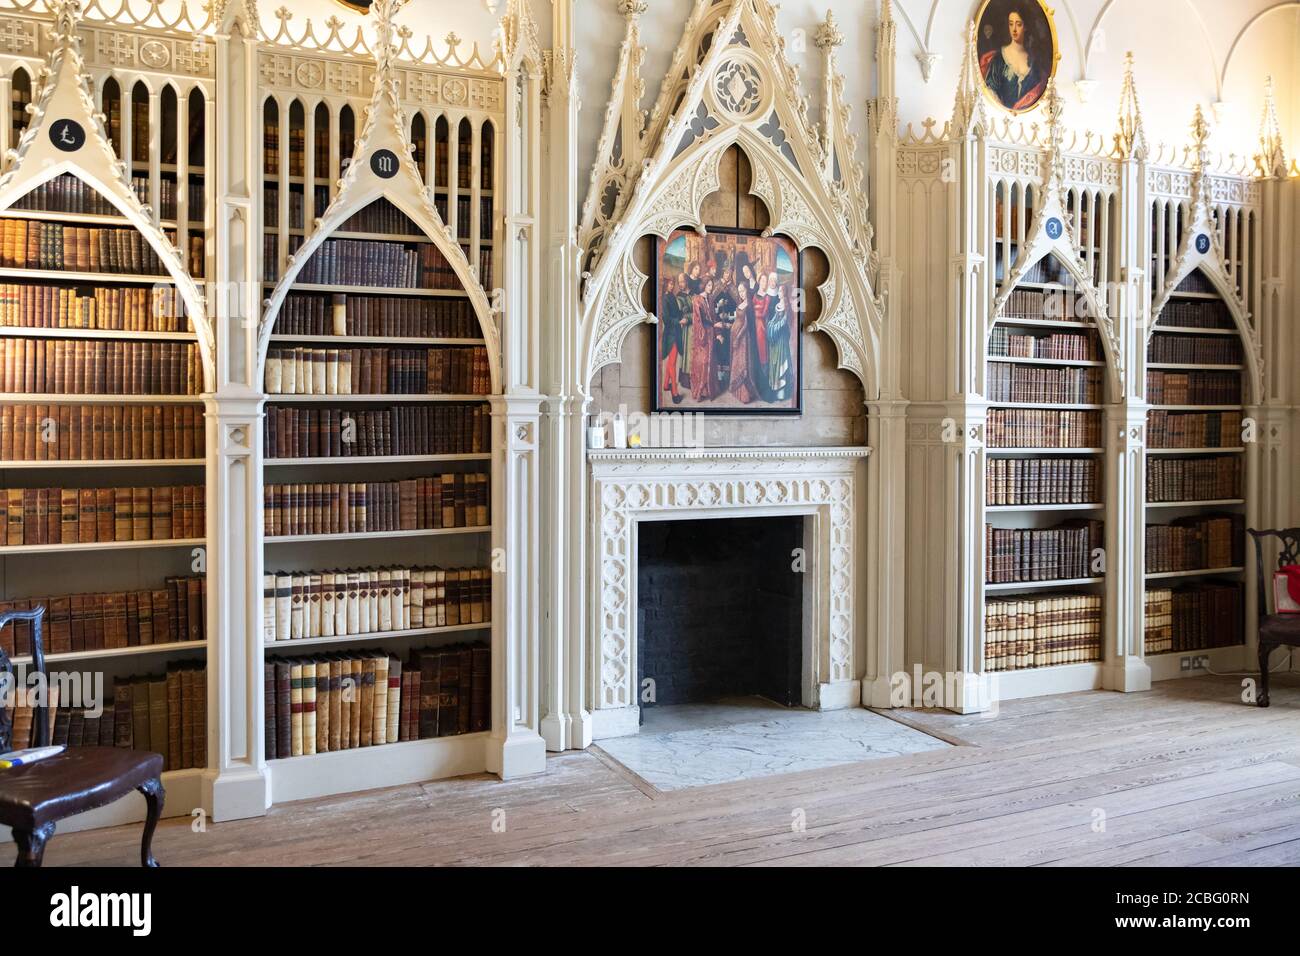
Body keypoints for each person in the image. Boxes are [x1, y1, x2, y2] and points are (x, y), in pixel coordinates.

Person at [979, 8, 1048, 112]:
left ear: (1026, 27)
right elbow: (990, 92)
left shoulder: (1034, 62)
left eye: (1019, 24)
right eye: (1011, 24)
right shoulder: (999, 58)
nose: (1014, 29)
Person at [689, 279, 720, 401]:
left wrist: (717, 331)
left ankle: (708, 390)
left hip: (710, 334)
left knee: (710, 361)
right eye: (708, 284)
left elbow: (713, 316)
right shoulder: (697, 299)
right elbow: (699, 320)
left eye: (711, 285)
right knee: (703, 362)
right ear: (703, 285)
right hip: (702, 336)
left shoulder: (710, 299)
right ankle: (699, 390)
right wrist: (713, 325)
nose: (710, 287)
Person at [728, 283, 759, 404]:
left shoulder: (749, 305)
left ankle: (745, 394)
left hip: (744, 339)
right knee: (737, 362)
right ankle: (737, 391)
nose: (741, 293)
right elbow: (737, 320)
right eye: (739, 291)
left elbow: (746, 325)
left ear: (747, 290)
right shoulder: (740, 303)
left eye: (743, 290)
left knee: (743, 363)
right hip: (735, 336)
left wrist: (738, 338)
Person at [764, 283, 794, 402]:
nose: (780, 293)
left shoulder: (787, 306)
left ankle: (782, 392)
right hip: (775, 340)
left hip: (781, 339)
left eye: (781, 291)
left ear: (785, 293)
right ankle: (776, 390)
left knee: (781, 361)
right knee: (775, 363)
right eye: (779, 291)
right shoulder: (778, 305)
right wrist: (771, 326)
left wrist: (774, 327)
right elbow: (773, 320)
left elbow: (784, 322)